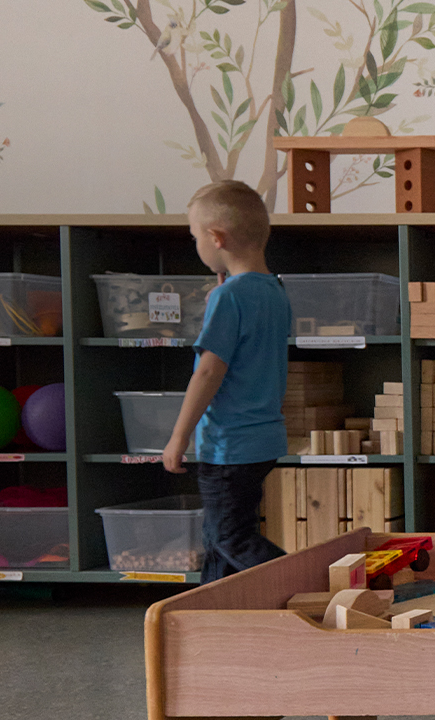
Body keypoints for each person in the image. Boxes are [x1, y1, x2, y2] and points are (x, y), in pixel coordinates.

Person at [162, 180, 290, 583]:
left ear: (216, 238)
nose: (196, 244)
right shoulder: (273, 291)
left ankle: (304, 581)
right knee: (218, 539)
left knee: (229, 536)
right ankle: (210, 613)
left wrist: (179, 437)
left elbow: (208, 371)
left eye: (195, 236)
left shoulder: (228, 297)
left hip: (228, 446)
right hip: (262, 440)